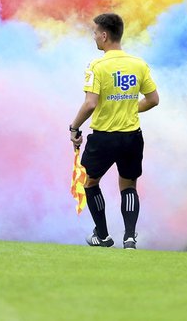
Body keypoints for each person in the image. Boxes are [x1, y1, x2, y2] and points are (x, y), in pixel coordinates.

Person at [69, 13, 159, 249]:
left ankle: (103, 235)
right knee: (128, 185)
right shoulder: (138, 64)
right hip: (131, 136)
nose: (94, 37)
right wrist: (129, 108)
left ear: (105, 35)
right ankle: (129, 238)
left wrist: (74, 126)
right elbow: (153, 99)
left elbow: (90, 103)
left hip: (104, 137)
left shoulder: (97, 65)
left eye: (96, 32)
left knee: (90, 182)